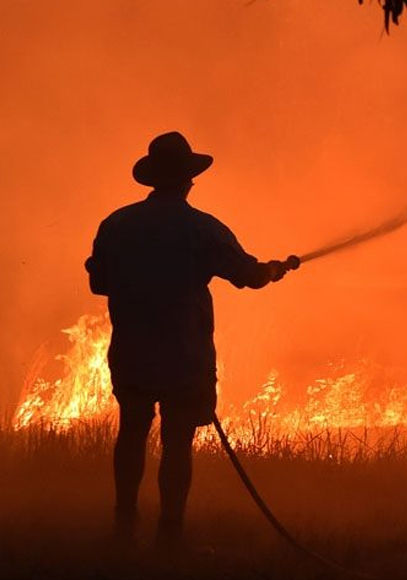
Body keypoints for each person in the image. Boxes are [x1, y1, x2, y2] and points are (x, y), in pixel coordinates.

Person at [85, 131, 299, 547]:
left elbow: (99, 284)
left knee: (131, 432)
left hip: (131, 351)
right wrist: (273, 269)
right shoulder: (202, 229)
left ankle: (124, 523)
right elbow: (248, 276)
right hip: (184, 354)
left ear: (152, 180)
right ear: (187, 181)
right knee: (177, 441)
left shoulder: (116, 225)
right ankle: (170, 532)